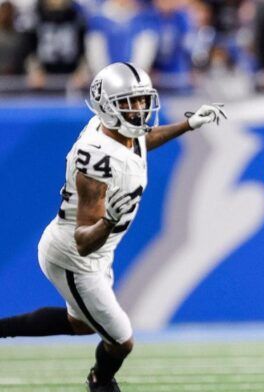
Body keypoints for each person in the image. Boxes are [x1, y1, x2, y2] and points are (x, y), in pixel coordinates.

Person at [0, 62, 226, 392]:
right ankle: (100, 381)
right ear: (106, 108)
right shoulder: (96, 159)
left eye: (140, 101)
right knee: (122, 340)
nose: (138, 110)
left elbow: (142, 142)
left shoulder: (119, 132)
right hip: (74, 258)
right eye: (128, 103)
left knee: (80, 325)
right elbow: (82, 242)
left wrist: (188, 124)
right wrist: (109, 220)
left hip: (94, 251)